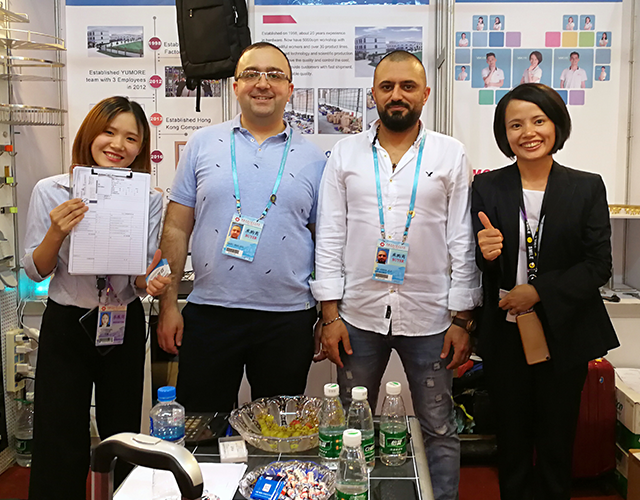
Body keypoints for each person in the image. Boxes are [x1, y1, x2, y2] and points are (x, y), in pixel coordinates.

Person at [312, 50, 481, 500]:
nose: (397, 95)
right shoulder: (345, 153)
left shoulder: (450, 153)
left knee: (439, 426)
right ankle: (352, 494)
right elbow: (330, 235)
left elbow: (461, 239)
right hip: (357, 316)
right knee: (350, 426)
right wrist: (329, 316)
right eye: (387, 86)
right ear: (373, 94)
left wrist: (463, 320)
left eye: (408, 86)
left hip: (432, 318)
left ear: (426, 93)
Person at [157, 42, 327, 412]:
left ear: (289, 89)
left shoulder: (315, 158)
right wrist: (167, 304)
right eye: (251, 74)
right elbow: (176, 229)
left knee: (278, 432)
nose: (262, 83)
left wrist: (328, 316)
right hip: (210, 313)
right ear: (235, 86)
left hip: (288, 318)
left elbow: (325, 243)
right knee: (201, 428)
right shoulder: (202, 144)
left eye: (274, 75)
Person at [471, 83, 619, 500]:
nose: (528, 132)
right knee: (511, 441)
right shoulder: (488, 187)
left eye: (538, 121)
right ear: (504, 134)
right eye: (515, 125)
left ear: (556, 125)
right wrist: (486, 254)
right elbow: (481, 264)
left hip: (564, 330)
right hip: (506, 331)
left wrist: (537, 292)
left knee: (557, 442)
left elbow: (598, 265)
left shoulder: (586, 187)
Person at [23, 96, 170, 500]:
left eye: (131, 138)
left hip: (122, 321)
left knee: (122, 432)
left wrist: (150, 282)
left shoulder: (149, 199)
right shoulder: (52, 190)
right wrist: (56, 233)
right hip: (67, 322)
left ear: (141, 148)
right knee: (59, 431)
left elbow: (138, 277)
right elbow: (35, 270)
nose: (118, 145)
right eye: (109, 132)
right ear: (90, 133)